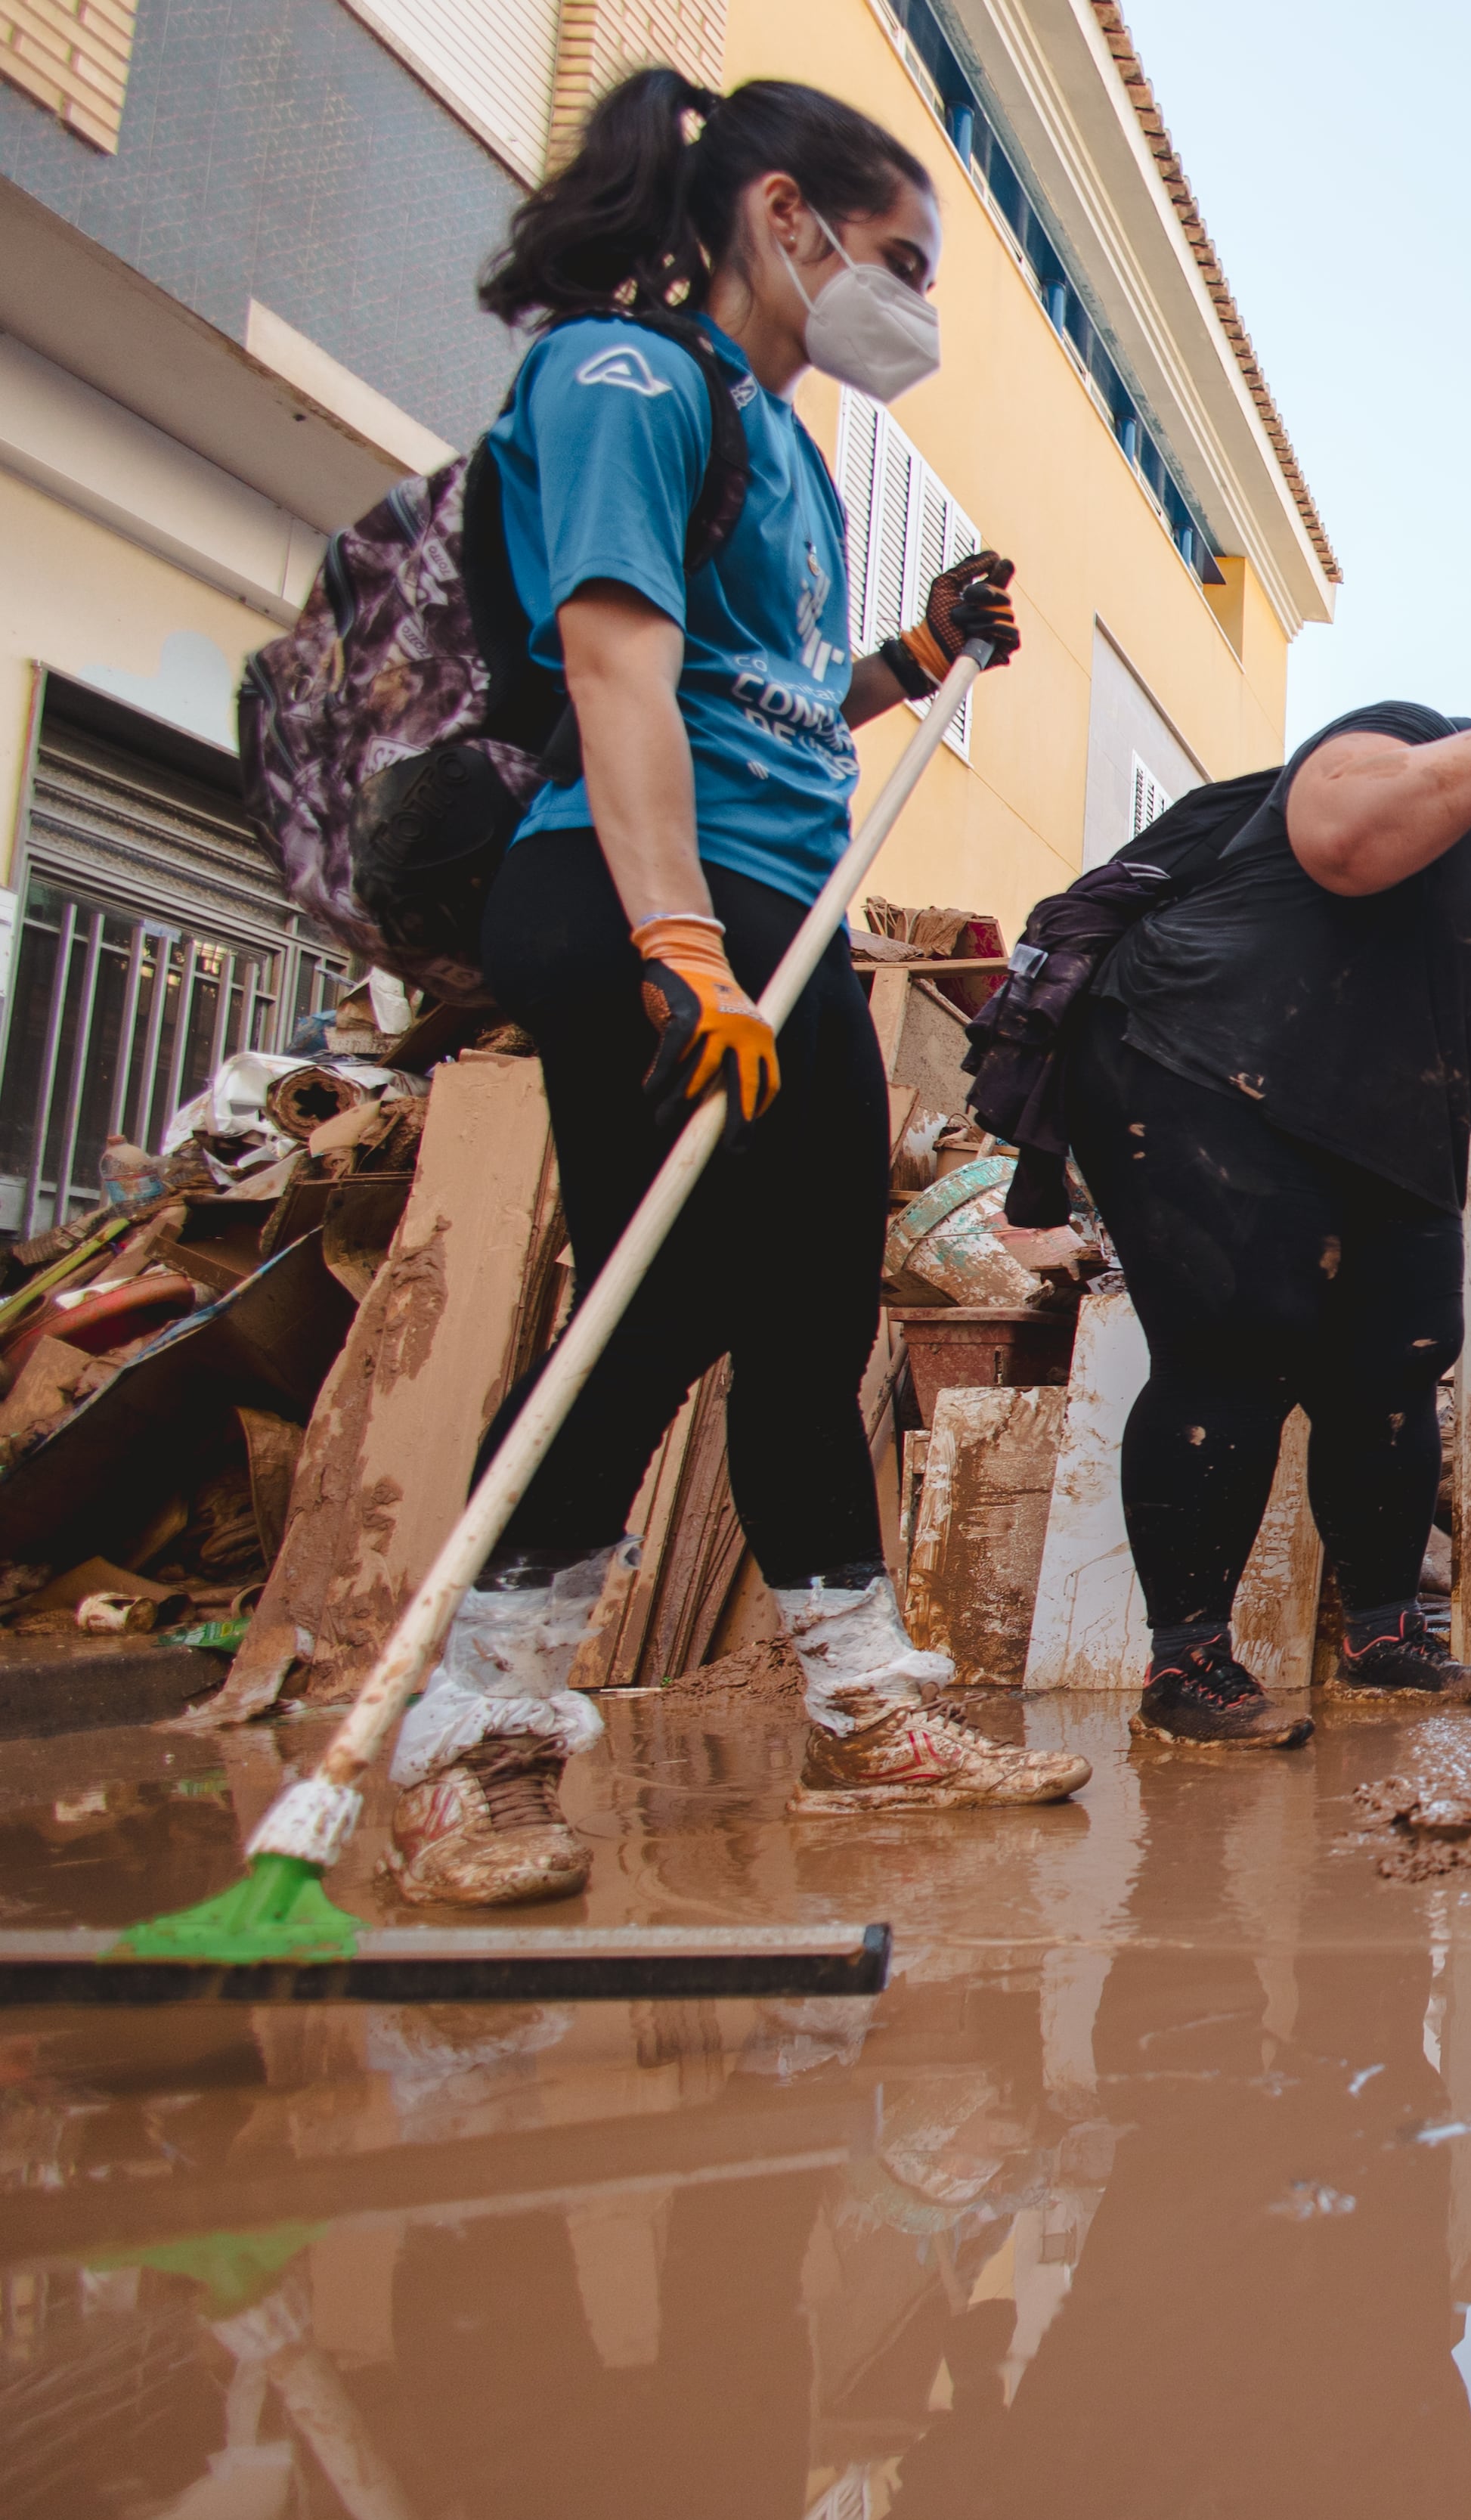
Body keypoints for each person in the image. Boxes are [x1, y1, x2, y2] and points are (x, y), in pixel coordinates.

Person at [395, 71, 1081, 1907]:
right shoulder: (623, 380)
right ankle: (471, 1737)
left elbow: (762, 705)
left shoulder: (781, 446)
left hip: (783, 909)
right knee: (649, 1301)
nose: (913, 306)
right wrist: (676, 939)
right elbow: (617, 672)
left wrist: (917, 656)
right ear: (783, 222)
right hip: (643, 901)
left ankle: (867, 1707)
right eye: (898, 260)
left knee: (797, 1318)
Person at [1076, 682, 1471, 1738]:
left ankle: (1383, 1638)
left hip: (1392, 1138)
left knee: (1400, 1366)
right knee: (1235, 1349)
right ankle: (1187, 1669)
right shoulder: (1416, 746)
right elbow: (1337, 841)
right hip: (1213, 1070)